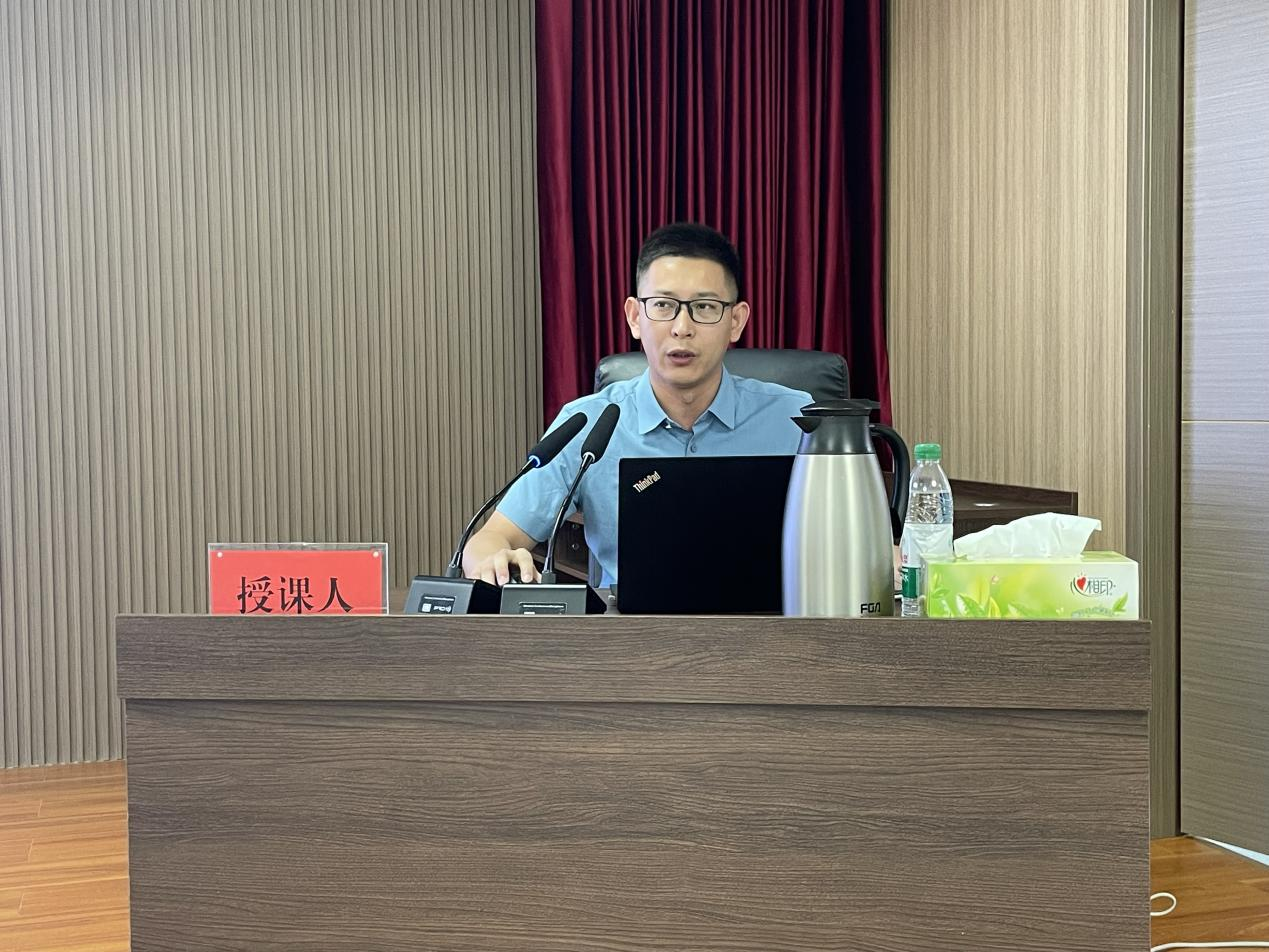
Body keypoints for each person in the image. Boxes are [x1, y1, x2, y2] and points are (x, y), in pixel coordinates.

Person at [461, 222, 811, 587]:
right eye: (663, 305)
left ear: (736, 321)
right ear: (634, 317)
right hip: (626, 623)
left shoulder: (797, 421)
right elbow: (488, 540)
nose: (682, 327)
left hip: (768, 622)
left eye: (705, 307)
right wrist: (494, 559)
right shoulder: (588, 425)